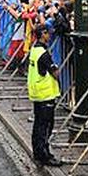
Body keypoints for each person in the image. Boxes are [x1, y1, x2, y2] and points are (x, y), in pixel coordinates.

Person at [26, 23, 62, 166]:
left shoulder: (34, 49)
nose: (50, 35)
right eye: (48, 33)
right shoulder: (44, 54)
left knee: (38, 124)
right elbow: (55, 72)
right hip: (45, 93)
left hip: (36, 92)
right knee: (45, 125)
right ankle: (44, 155)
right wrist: (56, 69)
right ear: (42, 34)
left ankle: (37, 151)